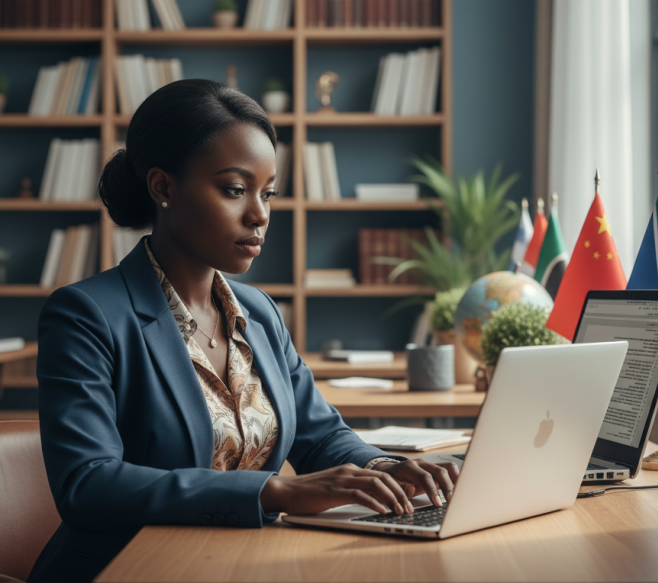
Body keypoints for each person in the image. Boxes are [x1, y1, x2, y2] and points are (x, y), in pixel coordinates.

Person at [29, 80, 458, 583]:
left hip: (242, 565)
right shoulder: (86, 315)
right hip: (128, 569)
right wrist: (272, 491)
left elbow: (322, 437)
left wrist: (381, 468)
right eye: (235, 190)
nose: (260, 215)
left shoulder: (258, 312)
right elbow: (88, 484)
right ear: (163, 187)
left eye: (267, 193)